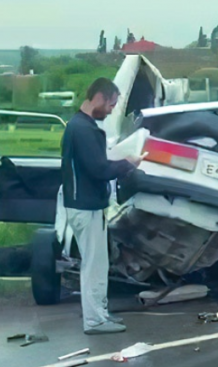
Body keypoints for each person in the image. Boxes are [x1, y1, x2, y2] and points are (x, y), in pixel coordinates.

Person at [61, 78, 142, 335]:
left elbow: (93, 165)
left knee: (98, 264)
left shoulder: (79, 126)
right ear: (99, 97)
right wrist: (127, 163)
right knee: (93, 266)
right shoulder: (84, 130)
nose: (110, 110)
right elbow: (98, 169)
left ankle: (101, 314)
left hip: (88, 205)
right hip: (86, 207)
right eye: (111, 105)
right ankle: (95, 321)